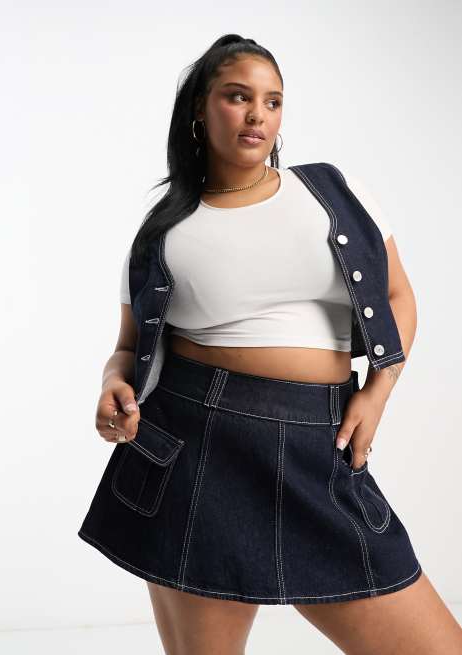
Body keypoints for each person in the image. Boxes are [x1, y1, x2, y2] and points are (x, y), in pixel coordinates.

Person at [78, 34, 462, 655]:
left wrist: (378, 391)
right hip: (199, 446)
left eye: (272, 101)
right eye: (238, 96)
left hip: (321, 445)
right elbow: (128, 349)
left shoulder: (333, 194)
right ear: (200, 108)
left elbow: (399, 297)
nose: (257, 113)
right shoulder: (164, 231)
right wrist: (111, 386)